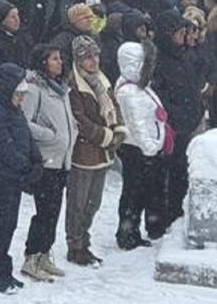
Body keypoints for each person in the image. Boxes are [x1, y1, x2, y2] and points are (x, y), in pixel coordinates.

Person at [0, 63, 39, 295]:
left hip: (12, 177)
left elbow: (26, 138)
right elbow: (4, 147)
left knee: (9, 223)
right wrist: (25, 166)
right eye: (18, 93)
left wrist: (36, 160)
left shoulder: (15, 111)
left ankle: (4, 269)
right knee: (1, 224)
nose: (21, 98)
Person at [65, 36, 127, 268]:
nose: (94, 61)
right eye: (88, 57)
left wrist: (119, 129)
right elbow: (79, 119)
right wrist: (105, 136)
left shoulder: (101, 79)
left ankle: (84, 241)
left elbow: (114, 106)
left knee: (93, 202)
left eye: (95, 55)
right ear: (78, 60)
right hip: (84, 151)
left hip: (102, 151)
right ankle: (75, 245)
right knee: (78, 203)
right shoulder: (74, 84)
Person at [19, 45, 77, 282]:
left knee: (54, 212)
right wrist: (50, 135)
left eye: (60, 58)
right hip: (46, 161)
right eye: (54, 59)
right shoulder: (34, 89)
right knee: (44, 212)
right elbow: (24, 122)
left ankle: (44, 253)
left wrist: (73, 131)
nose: (59, 62)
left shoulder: (61, 90)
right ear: (42, 62)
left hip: (62, 160)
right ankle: (31, 256)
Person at [115, 41, 170, 250]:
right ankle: (127, 234)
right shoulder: (129, 92)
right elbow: (136, 124)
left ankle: (133, 230)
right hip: (137, 149)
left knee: (140, 191)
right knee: (133, 193)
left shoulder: (139, 87)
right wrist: (150, 148)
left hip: (145, 148)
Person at [150, 11, 202, 227]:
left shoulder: (185, 55)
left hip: (186, 123)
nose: (184, 36)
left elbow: (192, 86)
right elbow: (158, 95)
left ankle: (175, 212)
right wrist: (177, 113)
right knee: (161, 175)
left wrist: (196, 109)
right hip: (168, 126)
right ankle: (158, 220)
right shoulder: (158, 60)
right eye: (180, 32)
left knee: (180, 173)